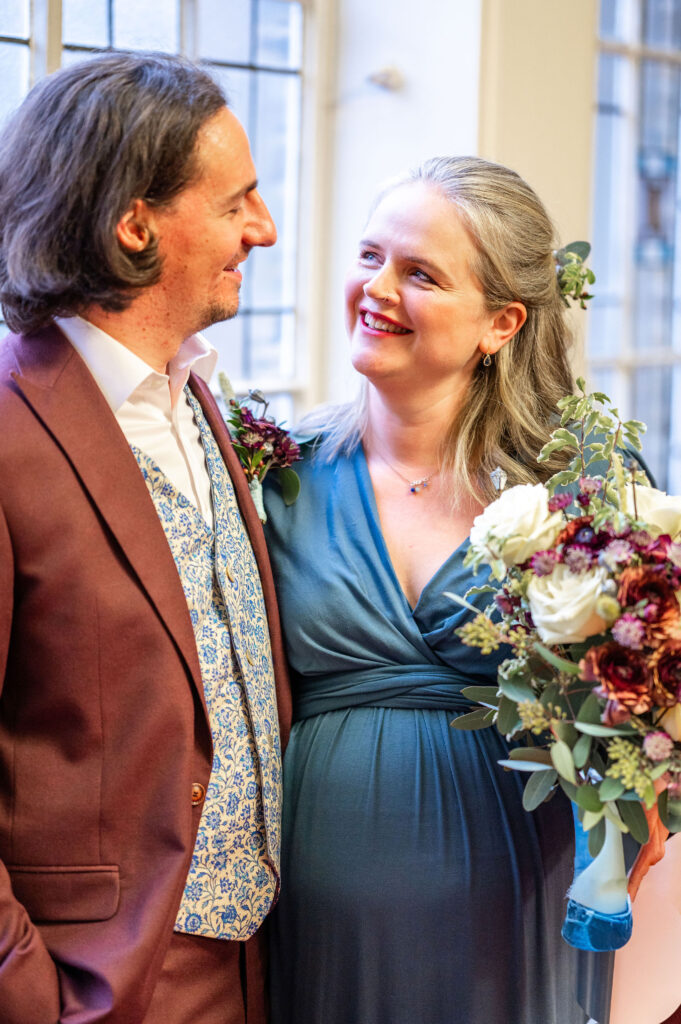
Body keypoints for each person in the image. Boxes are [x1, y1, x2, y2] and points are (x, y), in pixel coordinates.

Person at [263, 156, 612, 1023]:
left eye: (418, 273)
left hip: (515, 905)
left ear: (500, 322)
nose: (376, 289)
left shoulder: (585, 492)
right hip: (316, 913)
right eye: (369, 256)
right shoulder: (276, 475)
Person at [0, 52, 291, 1024]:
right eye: (237, 201)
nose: (266, 228)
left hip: (258, 968)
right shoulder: (8, 430)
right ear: (136, 223)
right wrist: (36, 996)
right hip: (104, 983)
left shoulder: (197, 395)